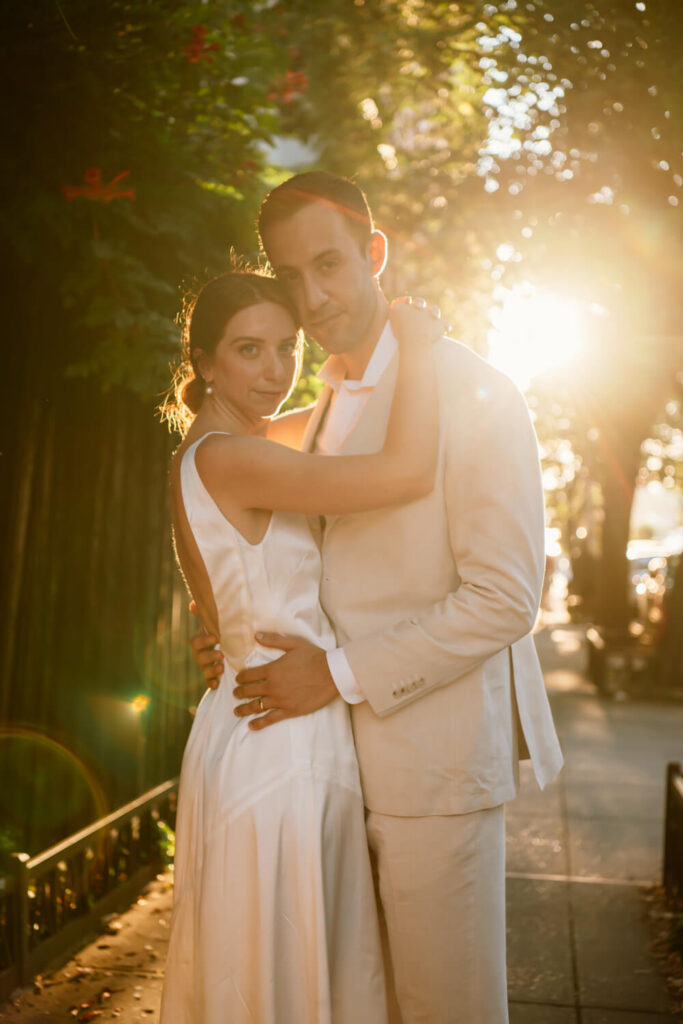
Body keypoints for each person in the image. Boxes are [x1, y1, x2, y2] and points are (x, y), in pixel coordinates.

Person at [191, 172, 564, 1024]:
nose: (312, 298)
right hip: (318, 770)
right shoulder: (320, 402)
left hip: (431, 773)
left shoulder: (472, 392)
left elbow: (504, 598)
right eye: (290, 277)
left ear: (374, 253)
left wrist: (338, 673)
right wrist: (227, 627)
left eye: (329, 264)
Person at [158, 268, 442, 1024]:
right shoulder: (231, 457)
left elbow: (329, 422)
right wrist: (415, 344)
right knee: (284, 978)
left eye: (285, 348)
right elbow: (407, 471)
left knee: (279, 975)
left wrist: (219, 633)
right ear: (205, 361)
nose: (275, 370)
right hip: (278, 745)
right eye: (248, 350)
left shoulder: (217, 448)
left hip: (254, 719)